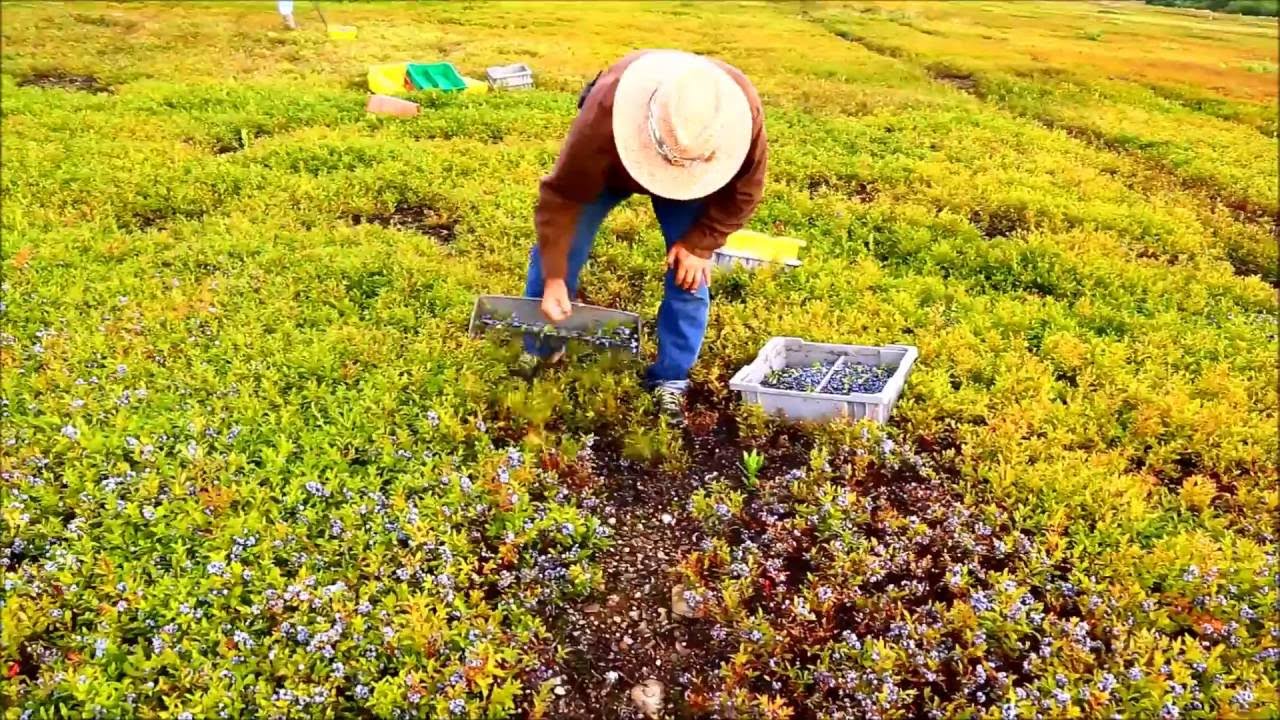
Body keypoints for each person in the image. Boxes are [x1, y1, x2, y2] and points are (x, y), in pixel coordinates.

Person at [524, 49, 767, 424]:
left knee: (690, 274)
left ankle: (671, 377)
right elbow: (562, 200)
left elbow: (745, 191)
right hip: (611, 164)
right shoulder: (604, 114)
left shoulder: (738, 112)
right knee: (557, 254)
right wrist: (555, 277)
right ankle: (540, 345)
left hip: (697, 175)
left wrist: (701, 244)